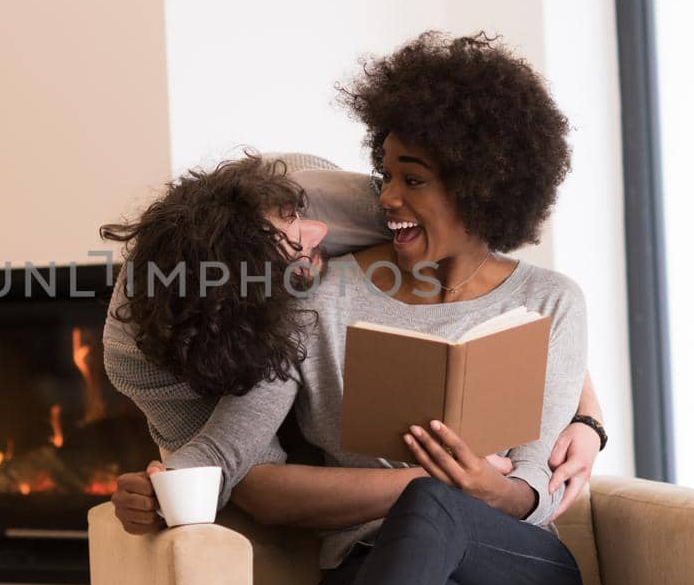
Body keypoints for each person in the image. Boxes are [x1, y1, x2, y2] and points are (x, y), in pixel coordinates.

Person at [103, 32, 597, 585]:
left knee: (434, 498)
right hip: (363, 575)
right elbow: (238, 437)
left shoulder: (551, 300)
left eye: (412, 179)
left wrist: (489, 484)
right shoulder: (314, 295)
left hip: (519, 566)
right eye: (387, 173)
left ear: (481, 186)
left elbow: (533, 485)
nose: (386, 197)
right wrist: (166, 480)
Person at [101, 153, 604, 535]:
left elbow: (503, 295)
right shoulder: (138, 358)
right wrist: (156, 491)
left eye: (296, 215)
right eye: (296, 247)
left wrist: (586, 415)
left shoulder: (353, 205)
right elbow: (241, 474)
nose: (318, 232)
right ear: (255, 301)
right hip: (291, 400)